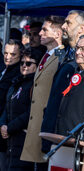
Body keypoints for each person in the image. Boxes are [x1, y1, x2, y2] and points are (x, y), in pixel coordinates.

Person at [41, 10, 84, 153]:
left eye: (68, 23)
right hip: (51, 134)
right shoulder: (65, 53)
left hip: (69, 138)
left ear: (81, 28)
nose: (63, 26)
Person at [20, 16, 65, 170]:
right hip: (37, 125)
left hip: (47, 126)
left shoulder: (62, 56)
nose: (40, 33)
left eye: (45, 30)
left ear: (58, 34)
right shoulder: (47, 55)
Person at [0, 48, 43, 171]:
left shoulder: (35, 85)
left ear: (37, 65)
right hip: (10, 140)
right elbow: (6, 106)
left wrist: (10, 127)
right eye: (22, 63)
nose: (24, 66)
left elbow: (31, 112)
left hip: (24, 139)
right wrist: (2, 124)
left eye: (29, 63)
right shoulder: (16, 82)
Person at [0, 39, 24, 171]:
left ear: (20, 55)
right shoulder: (4, 70)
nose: (8, 57)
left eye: (13, 54)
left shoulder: (18, 73)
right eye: (6, 53)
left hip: (7, 131)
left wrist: (4, 123)